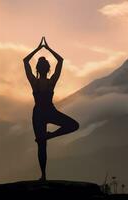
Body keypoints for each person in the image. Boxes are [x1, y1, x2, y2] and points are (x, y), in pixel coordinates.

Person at [23, 37, 79, 181]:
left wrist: (38, 48)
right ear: (48, 69)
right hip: (49, 112)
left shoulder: (34, 82)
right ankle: (50, 136)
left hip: (38, 114)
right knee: (73, 125)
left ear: (38, 69)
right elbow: (60, 61)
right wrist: (47, 48)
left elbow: (25, 61)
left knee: (41, 145)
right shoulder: (51, 82)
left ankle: (43, 176)